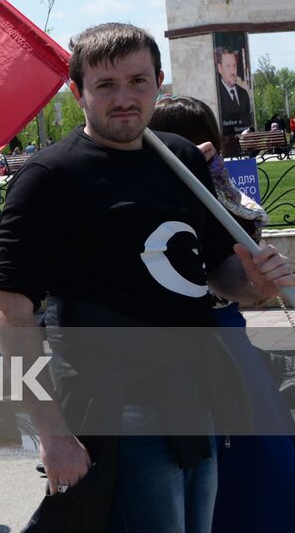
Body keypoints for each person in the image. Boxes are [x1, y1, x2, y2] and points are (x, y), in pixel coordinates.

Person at [0, 23, 294, 532]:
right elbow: (10, 309)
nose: (125, 98)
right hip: (115, 407)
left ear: (159, 82)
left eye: (138, 81)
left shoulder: (178, 157)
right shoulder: (49, 178)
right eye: (106, 85)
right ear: (78, 91)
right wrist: (53, 434)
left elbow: (217, 274)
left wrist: (255, 285)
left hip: (196, 394)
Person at [148, 96, 295, 533]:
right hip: (169, 346)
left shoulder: (216, 186)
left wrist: (209, 179)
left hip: (226, 338)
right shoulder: (150, 190)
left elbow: (249, 228)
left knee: (259, 457)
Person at [215, 48, 253, 138]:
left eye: (234, 66)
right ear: (220, 68)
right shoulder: (218, 94)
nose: (232, 71)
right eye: (228, 66)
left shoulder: (243, 93)